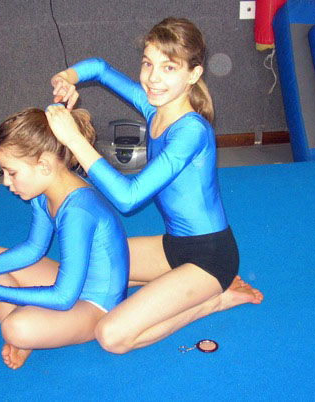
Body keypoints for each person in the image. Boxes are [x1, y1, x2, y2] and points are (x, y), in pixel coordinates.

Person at [45, 17, 263, 354]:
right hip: (173, 246)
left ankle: (214, 300)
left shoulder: (191, 132)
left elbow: (128, 197)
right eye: (148, 63)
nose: (153, 78)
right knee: (84, 268)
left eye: (169, 67)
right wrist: (67, 78)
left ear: (194, 74)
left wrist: (74, 140)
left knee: (111, 335)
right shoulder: (153, 107)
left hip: (210, 258)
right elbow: (100, 69)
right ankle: (182, 287)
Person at [0, 107, 129, 369]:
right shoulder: (44, 191)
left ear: (44, 165)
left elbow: (64, 297)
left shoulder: (78, 211)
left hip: (96, 305)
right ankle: (30, 333)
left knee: (15, 328)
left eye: (12, 173)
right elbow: (34, 248)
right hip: (74, 280)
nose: (5, 182)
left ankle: (25, 335)